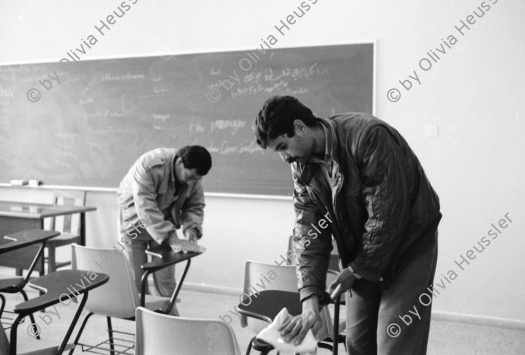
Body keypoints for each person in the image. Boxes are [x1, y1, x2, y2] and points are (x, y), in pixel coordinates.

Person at [254, 96, 441, 355]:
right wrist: (310, 300)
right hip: (361, 253)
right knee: (358, 343)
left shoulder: (369, 137)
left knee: (395, 342)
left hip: (409, 246)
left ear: (299, 127)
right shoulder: (301, 164)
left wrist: (355, 270)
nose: (284, 158)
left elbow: (385, 217)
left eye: (284, 146)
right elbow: (308, 230)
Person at [117, 146, 212, 315]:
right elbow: (145, 208)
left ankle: (169, 321)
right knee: (136, 282)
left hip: (164, 222)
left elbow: (195, 205)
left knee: (166, 281)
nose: (191, 183)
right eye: (190, 177)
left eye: (196, 179)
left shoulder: (194, 176)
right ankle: (145, 322)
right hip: (134, 222)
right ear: (180, 162)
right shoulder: (149, 165)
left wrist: (191, 229)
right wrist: (172, 238)